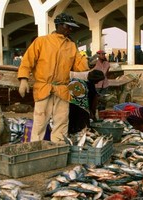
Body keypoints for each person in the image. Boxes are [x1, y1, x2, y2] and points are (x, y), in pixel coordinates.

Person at [17, 13, 89, 144]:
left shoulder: (71, 46)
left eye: (71, 27)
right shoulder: (41, 41)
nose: (70, 29)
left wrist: (89, 62)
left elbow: (80, 67)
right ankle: (35, 146)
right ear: (59, 25)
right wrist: (23, 79)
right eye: (68, 26)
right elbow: (27, 61)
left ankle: (58, 147)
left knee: (61, 121)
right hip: (44, 87)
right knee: (40, 121)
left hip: (62, 88)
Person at [68, 70, 105, 134]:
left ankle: (73, 132)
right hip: (78, 101)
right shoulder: (89, 82)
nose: (97, 83)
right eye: (97, 81)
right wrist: (92, 112)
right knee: (82, 119)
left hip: (71, 100)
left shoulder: (84, 75)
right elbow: (93, 98)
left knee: (72, 117)